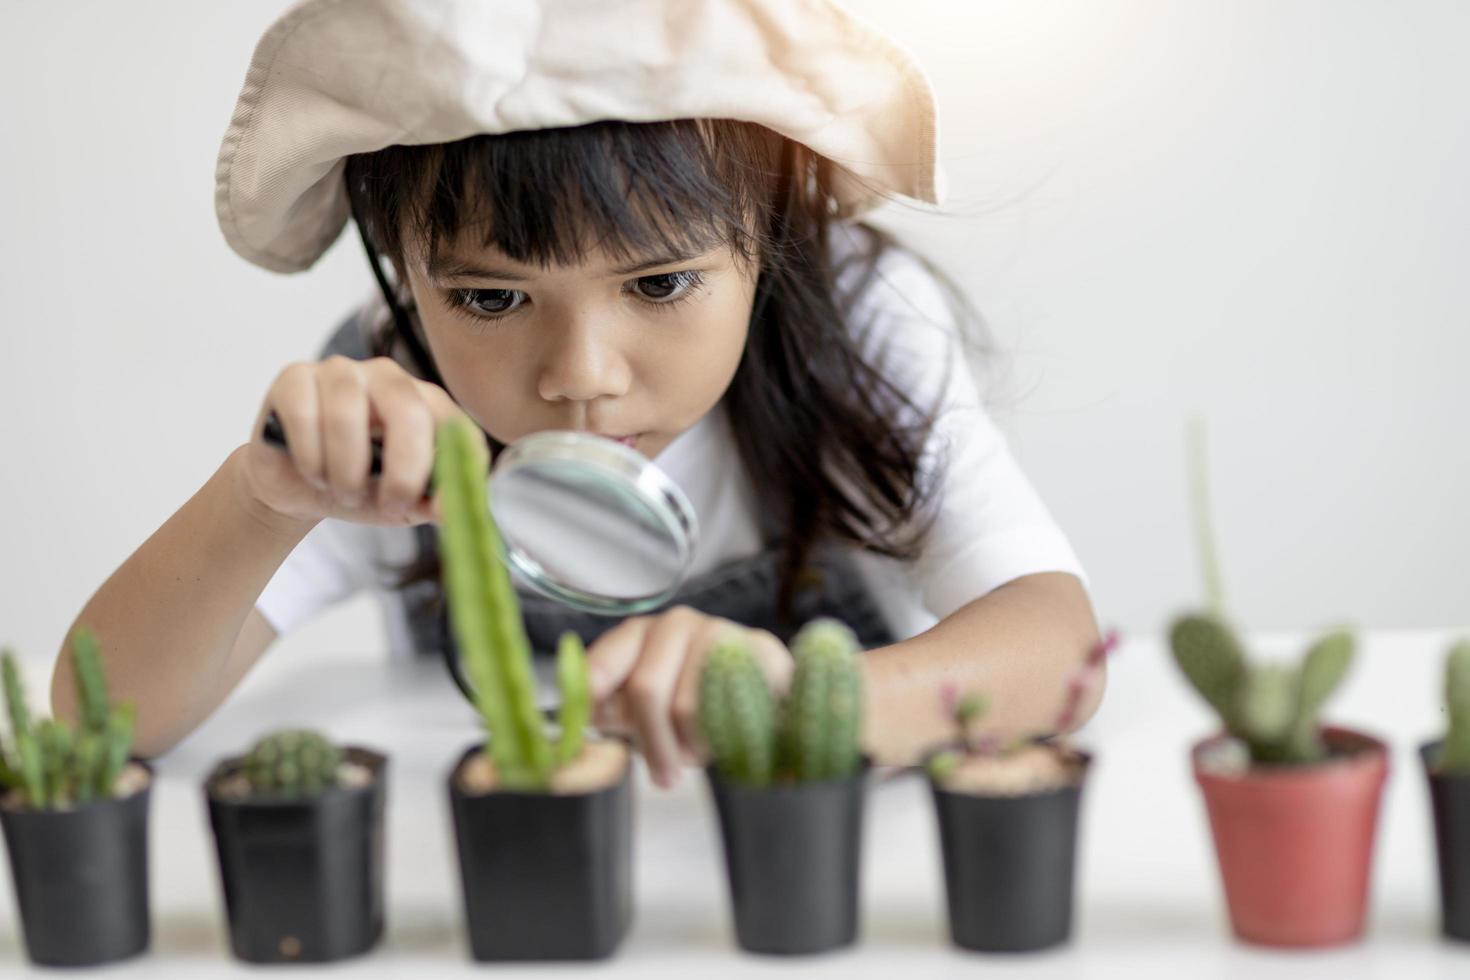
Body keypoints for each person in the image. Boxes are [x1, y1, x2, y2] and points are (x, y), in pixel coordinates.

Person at [52, 0, 1102, 786]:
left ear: (775, 239)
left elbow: (1057, 643)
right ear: (401, 270)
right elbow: (100, 717)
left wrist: (816, 699)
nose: (582, 376)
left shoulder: (860, 320)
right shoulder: (393, 402)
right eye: (491, 298)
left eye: (658, 283)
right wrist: (261, 499)